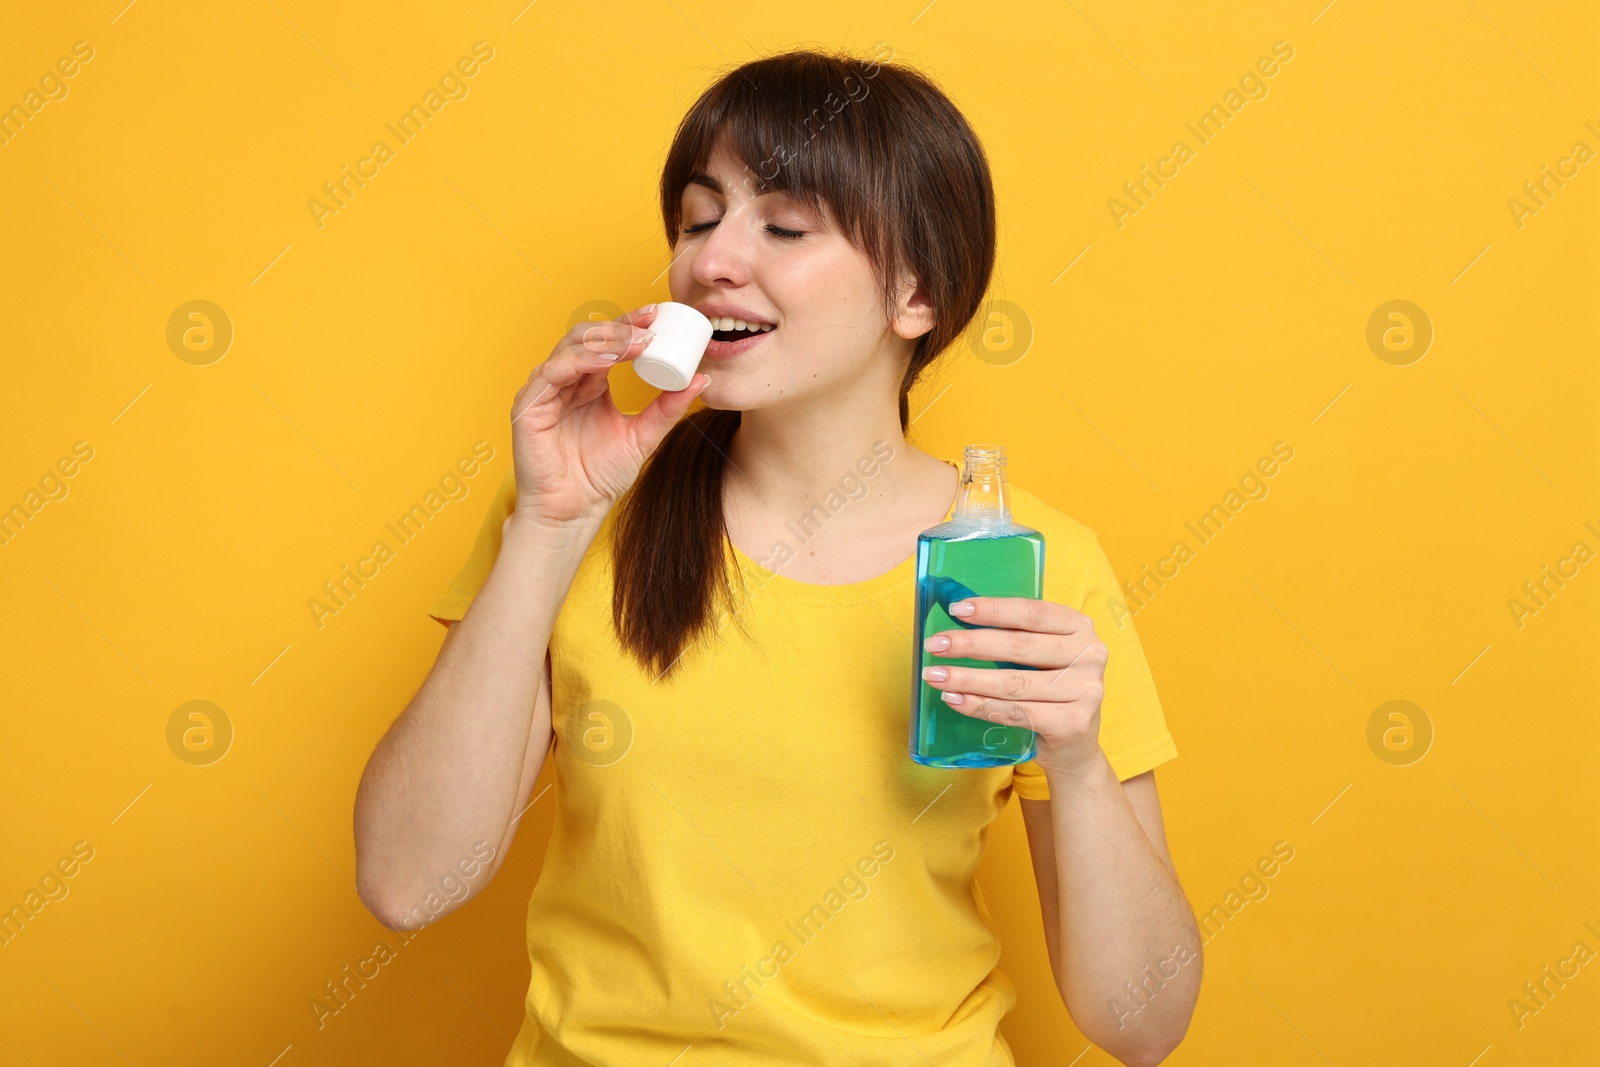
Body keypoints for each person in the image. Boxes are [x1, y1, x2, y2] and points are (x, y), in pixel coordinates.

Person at [353, 46, 1201, 1067]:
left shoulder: (1031, 565)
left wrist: (1076, 757)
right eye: (699, 218)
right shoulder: (578, 511)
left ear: (918, 293)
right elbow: (408, 884)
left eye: (784, 226)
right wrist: (546, 528)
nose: (712, 260)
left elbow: (1142, 1024)